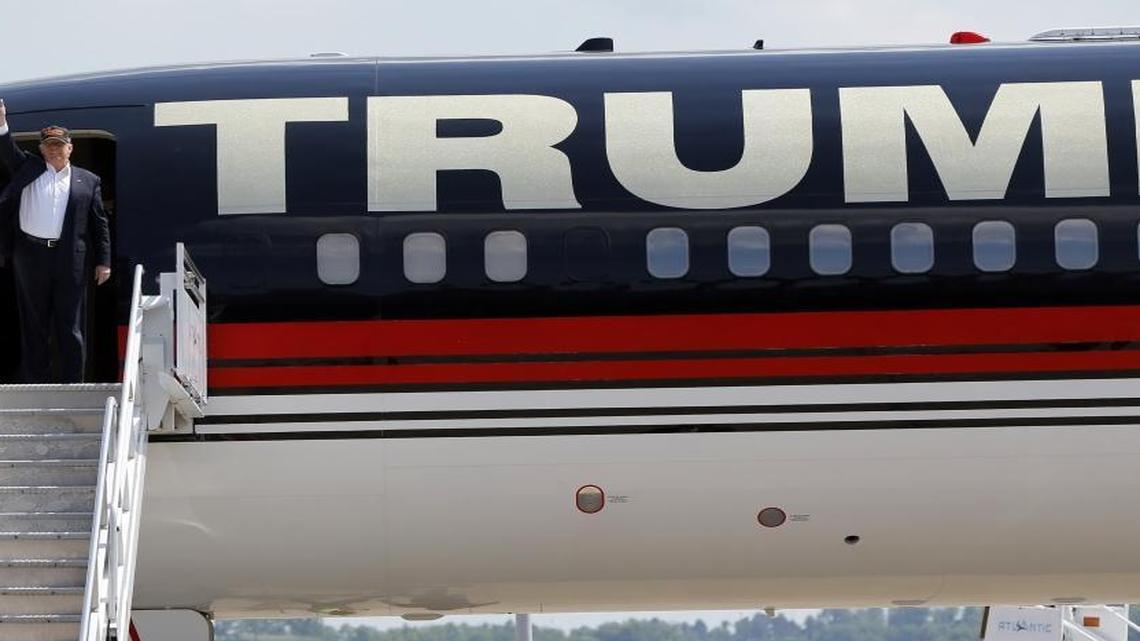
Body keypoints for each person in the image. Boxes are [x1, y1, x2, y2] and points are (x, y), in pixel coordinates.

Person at [0, 99, 111, 383]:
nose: (54, 148)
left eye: (59, 144)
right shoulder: (28, 168)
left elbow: (99, 223)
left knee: (69, 324)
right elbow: (6, 150)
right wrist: (2, 122)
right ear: (41, 149)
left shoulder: (88, 180)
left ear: (70, 148)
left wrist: (104, 262)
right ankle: (37, 382)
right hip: (31, 256)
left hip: (69, 258)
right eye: (49, 144)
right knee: (34, 323)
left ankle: (75, 383)